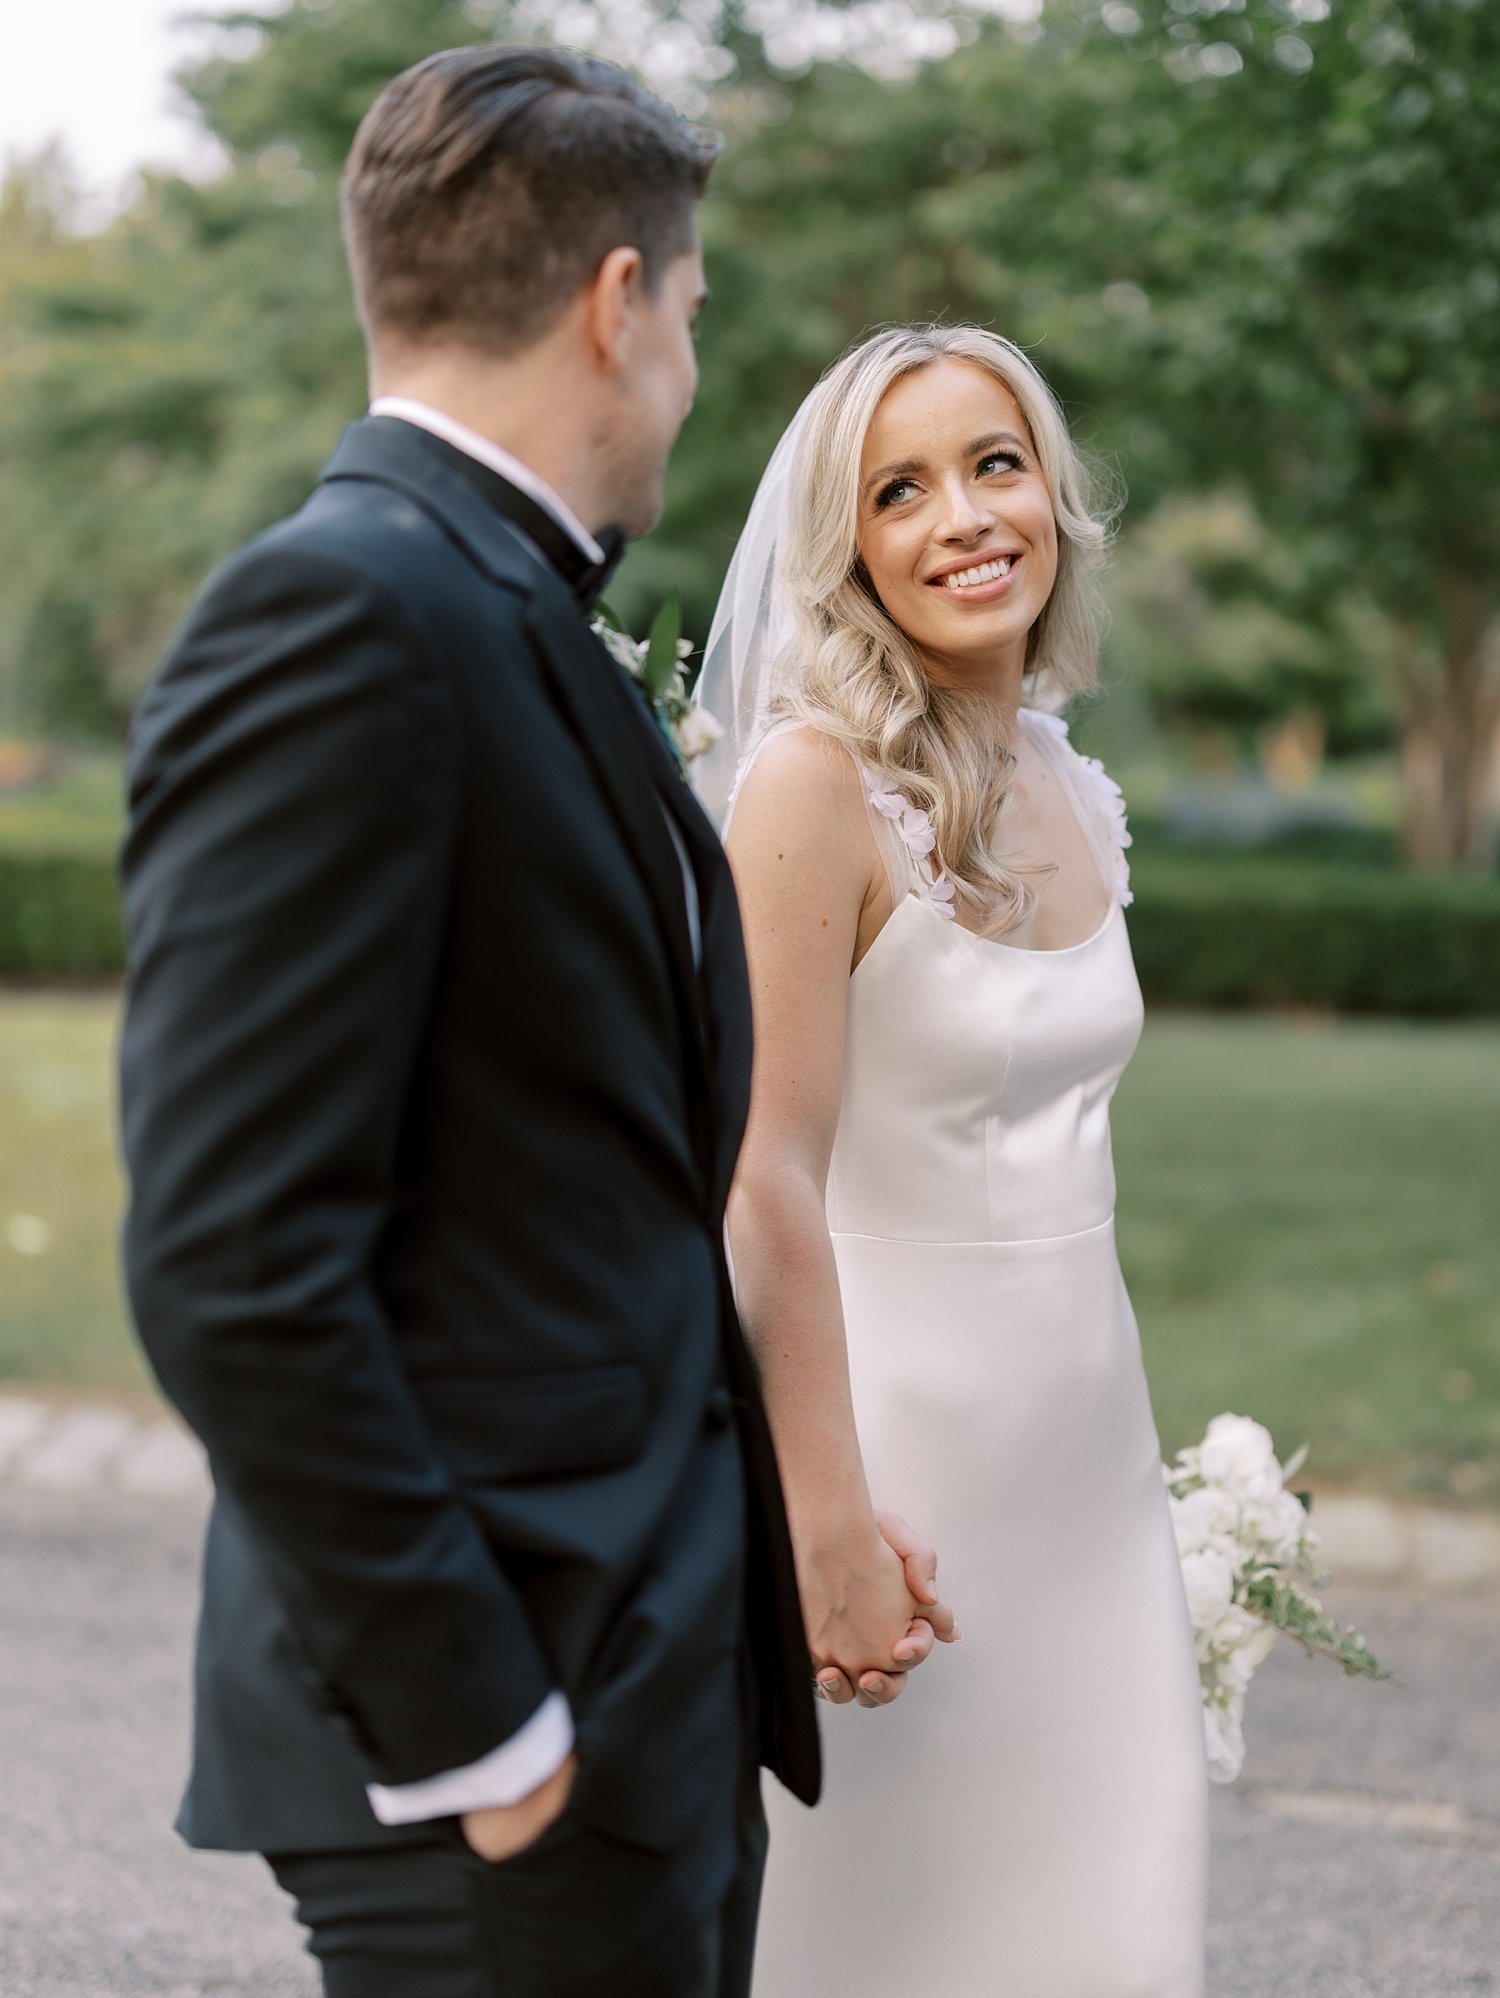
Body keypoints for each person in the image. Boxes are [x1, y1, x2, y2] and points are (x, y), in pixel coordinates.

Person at [117, 46, 951, 1998]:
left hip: (624, 1709)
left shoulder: (497, 604)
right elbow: (231, 1258)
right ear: (617, 304)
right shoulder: (344, 615)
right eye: (690, 315)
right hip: (499, 1750)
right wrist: (487, 1737)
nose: (683, 373)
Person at [696, 324, 1211, 1995]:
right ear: (843, 549)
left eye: (995, 463)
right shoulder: (810, 787)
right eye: (899, 489)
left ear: (1051, 494)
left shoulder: (1075, 782)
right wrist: (824, 1517)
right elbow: (763, 1173)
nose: (964, 516)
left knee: (1116, 1934)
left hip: (1089, 1472)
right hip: (898, 1474)